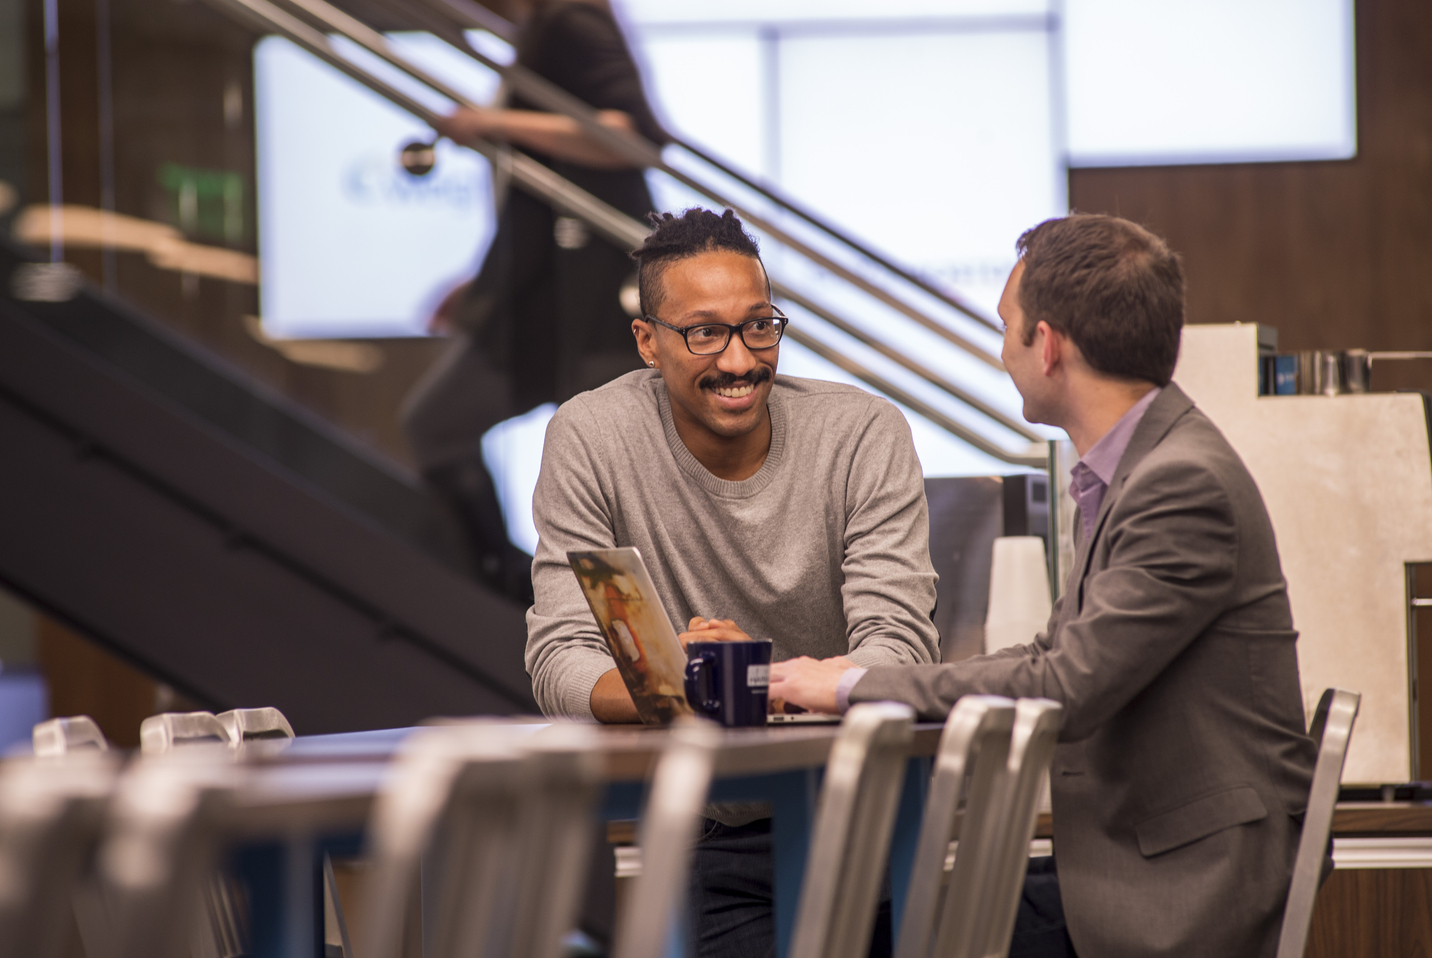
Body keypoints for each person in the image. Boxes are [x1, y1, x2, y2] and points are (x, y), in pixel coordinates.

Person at [771, 214, 1318, 958]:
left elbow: (1067, 684)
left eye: (1007, 328)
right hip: (1146, 858)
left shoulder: (1177, 484)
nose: (1003, 353)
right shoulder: (1138, 470)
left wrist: (851, 686)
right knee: (877, 917)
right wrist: (862, 675)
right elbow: (1053, 652)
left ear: (1049, 344)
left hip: (1185, 891)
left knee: (870, 931)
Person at [526, 207, 940, 956]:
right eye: (704, 332)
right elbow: (562, 659)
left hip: (872, 821)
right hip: (714, 836)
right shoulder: (593, 438)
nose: (742, 359)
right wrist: (678, 682)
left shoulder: (862, 433)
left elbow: (902, 652)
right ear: (647, 341)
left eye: (759, 326)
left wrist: (740, 679)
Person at [401, 0, 669, 602]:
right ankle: (521, 595)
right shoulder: (541, 28)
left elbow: (634, 138)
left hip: (591, 296)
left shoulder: (569, 18)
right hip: (542, 292)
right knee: (442, 425)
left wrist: (494, 125)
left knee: (602, 483)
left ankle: (603, 631)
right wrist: (485, 281)